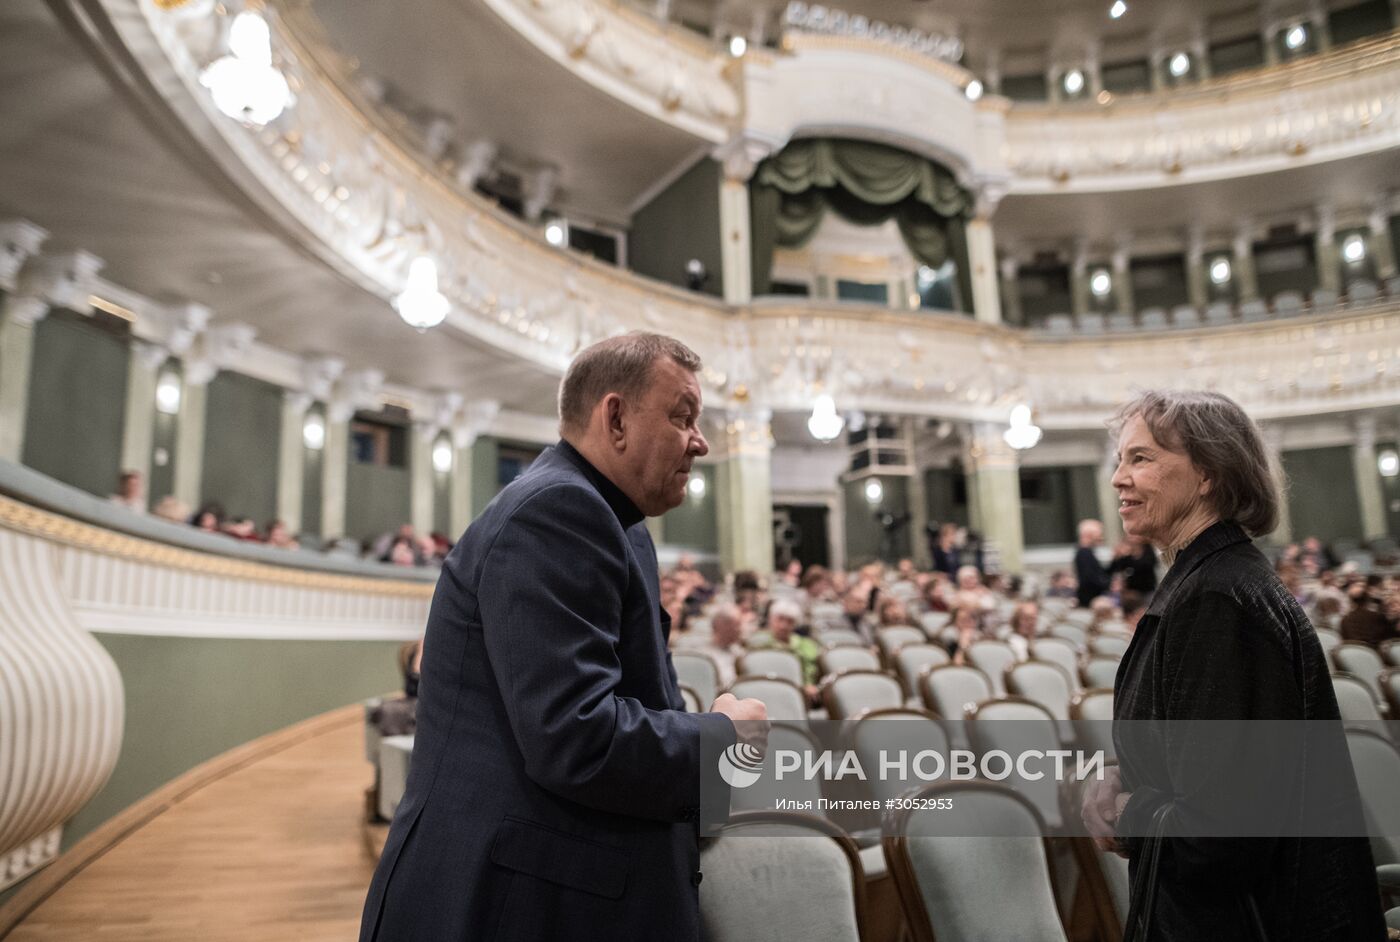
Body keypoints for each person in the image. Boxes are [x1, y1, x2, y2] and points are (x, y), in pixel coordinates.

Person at [359, 333, 767, 942]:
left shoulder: (612, 520)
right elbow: (577, 738)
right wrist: (723, 739)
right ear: (616, 417)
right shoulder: (557, 510)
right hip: (513, 905)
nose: (700, 442)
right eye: (683, 417)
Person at [1081, 389, 1384, 941]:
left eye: (1141, 458)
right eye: (1120, 459)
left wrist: (1126, 811)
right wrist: (1128, 772)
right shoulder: (1216, 581)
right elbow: (1210, 760)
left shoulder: (1217, 601)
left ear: (1208, 475)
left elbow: (1218, 837)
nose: (1119, 477)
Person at [1074, 519, 1110, 608]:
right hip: (1090, 599)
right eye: (1098, 534)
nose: (1101, 537)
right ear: (1088, 535)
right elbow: (1089, 577)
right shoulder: (1084, 553)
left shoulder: (1086, 552)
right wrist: (1106, 584)